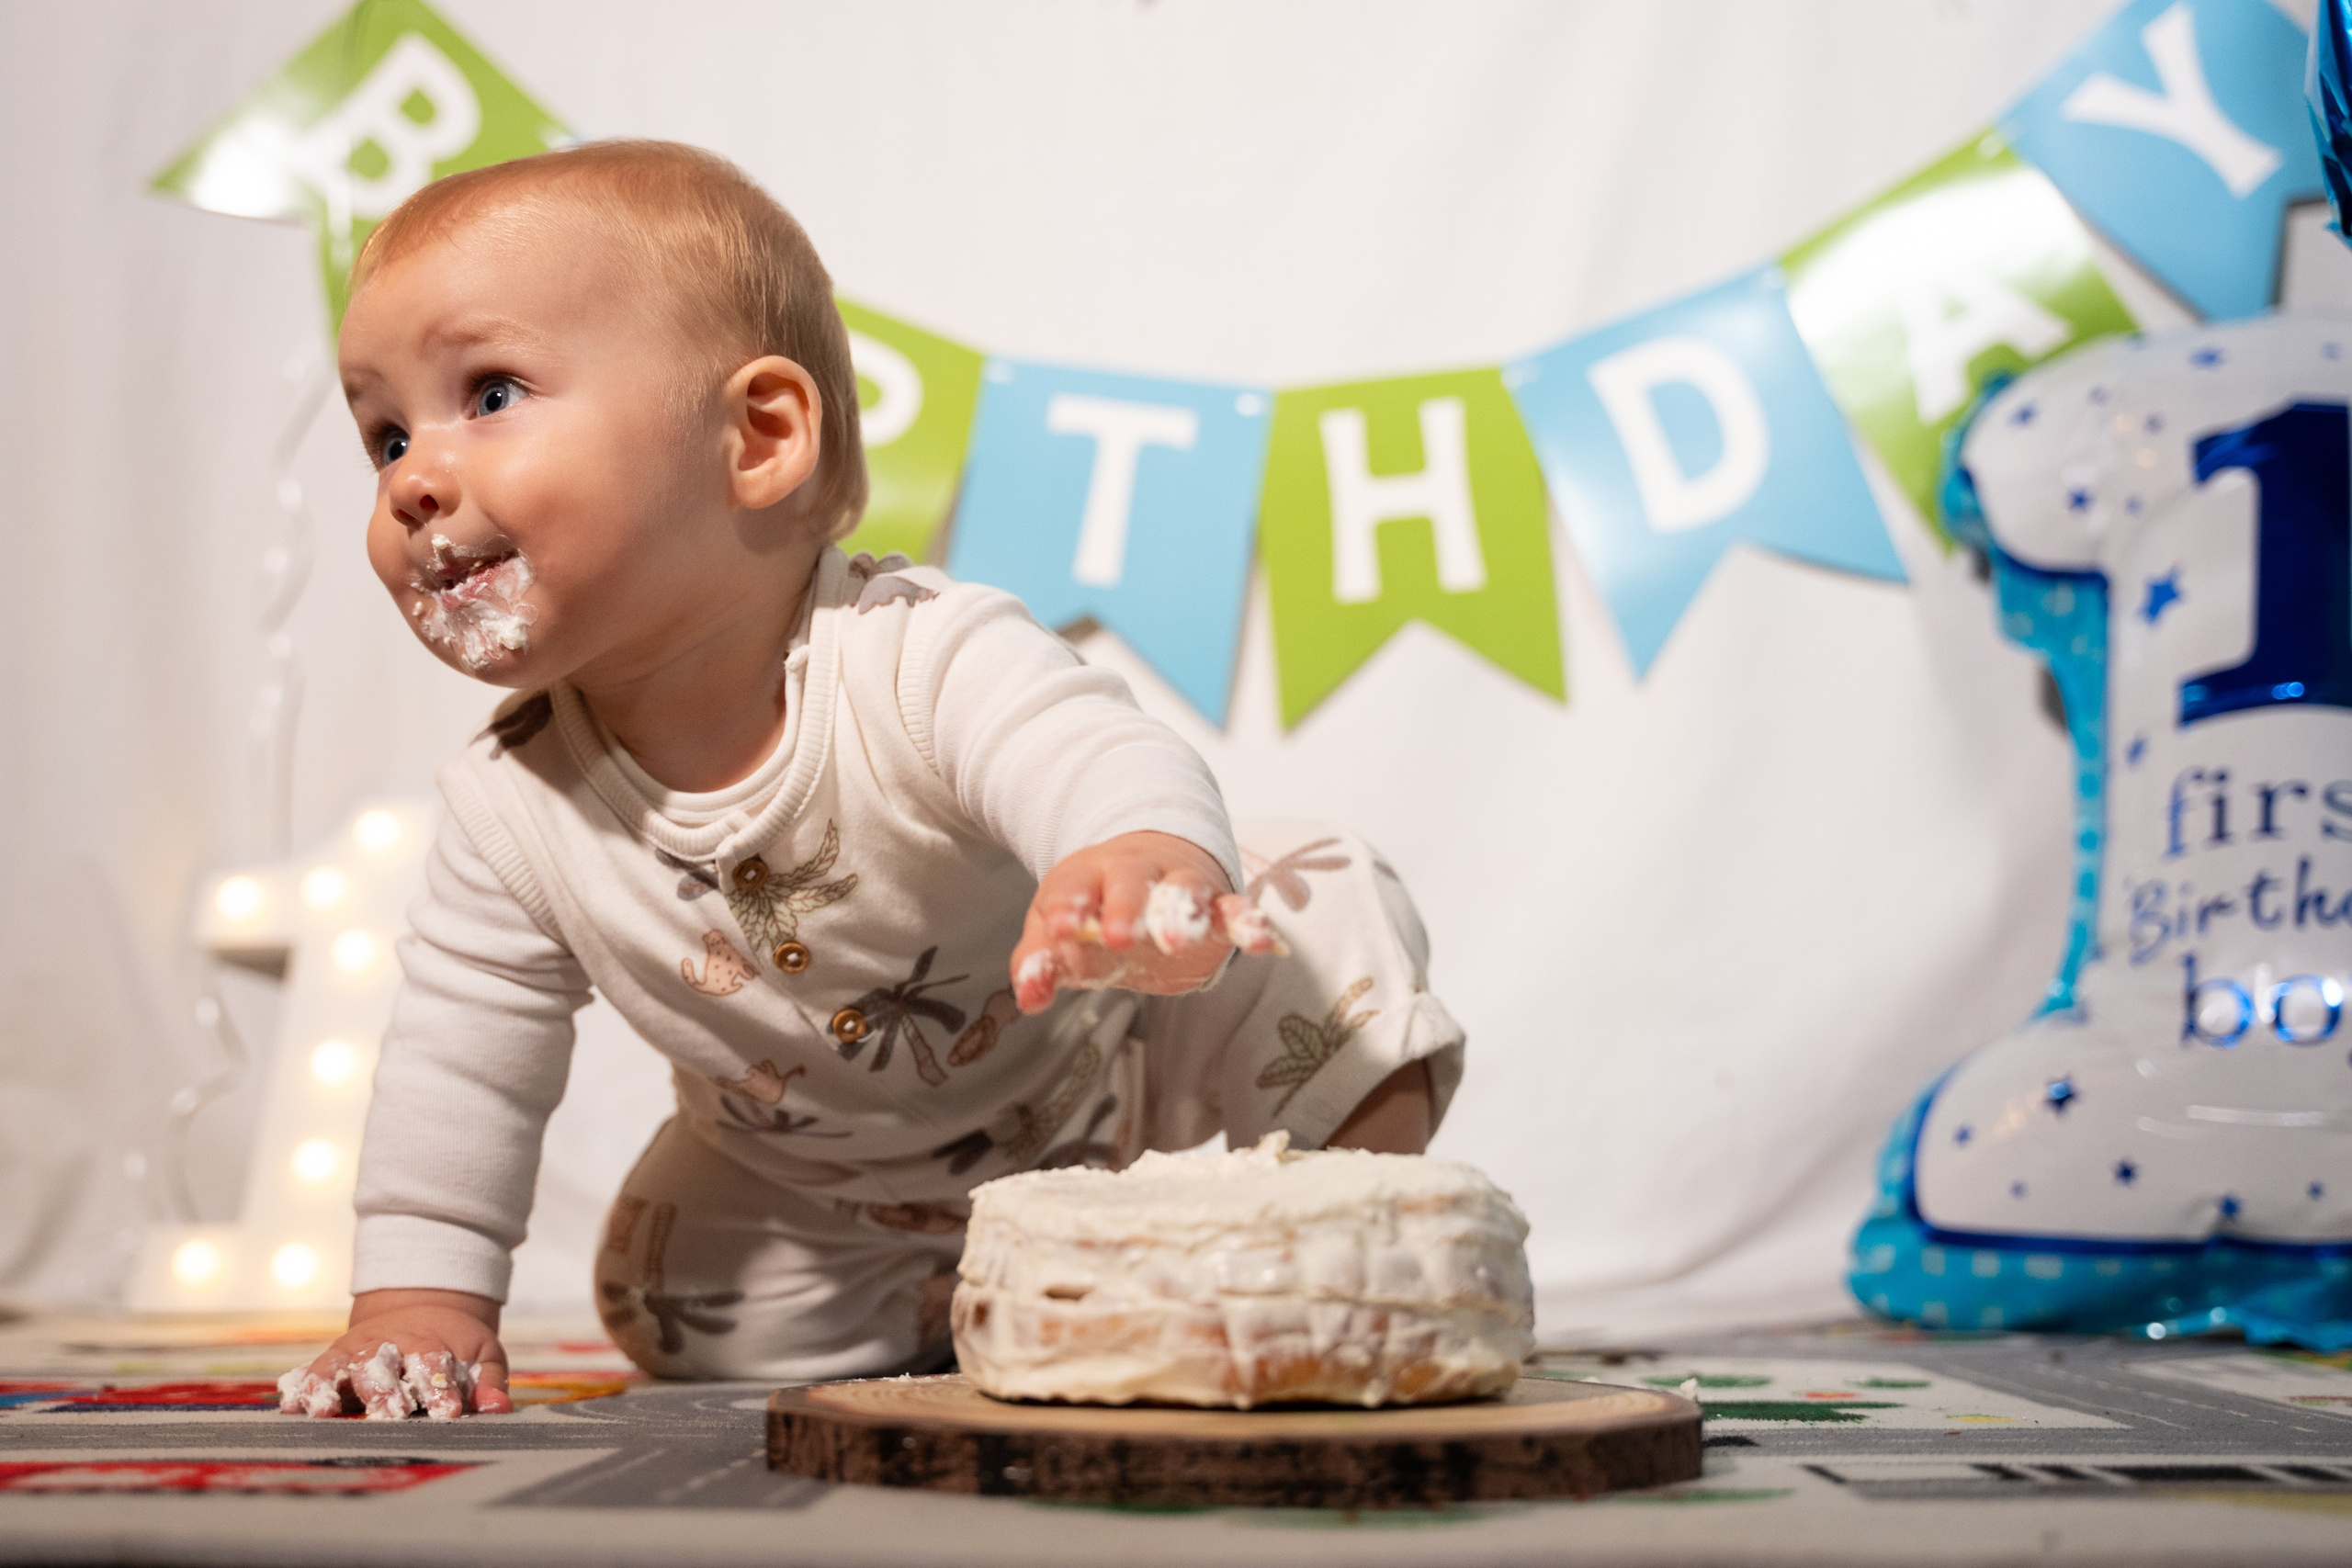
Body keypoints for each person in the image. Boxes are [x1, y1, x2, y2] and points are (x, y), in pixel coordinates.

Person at [284, 141, 1463, 1418]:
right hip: (827, 1194)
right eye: (385, 436)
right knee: (660, 1292)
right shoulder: (510, 805)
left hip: (1117, 1086)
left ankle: (1343, 1247)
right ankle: (987, 1299)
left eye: (492, 393)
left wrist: (1132, 860)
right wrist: (418, 1304)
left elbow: (1080, 747)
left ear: (757, 436)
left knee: (1322, 892)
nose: (412, 480)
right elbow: (461, 1067)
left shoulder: (915, 656)